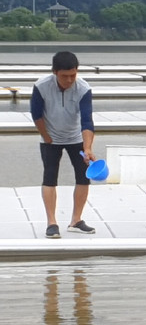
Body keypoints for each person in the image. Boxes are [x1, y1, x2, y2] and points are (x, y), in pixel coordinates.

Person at [30, 50, 97, 239]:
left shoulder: (83, 88)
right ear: (54, 72)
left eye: (73, 75)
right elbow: (36, 114)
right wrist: (46, 136)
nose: (69, 80)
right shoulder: (41, 86)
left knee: (84, 177)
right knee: (50, 177)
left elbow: (87, 121)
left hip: (76, 137)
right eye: (64, 76)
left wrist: (88, 148)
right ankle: (52, 222)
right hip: (50, 138)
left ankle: (76, 220)